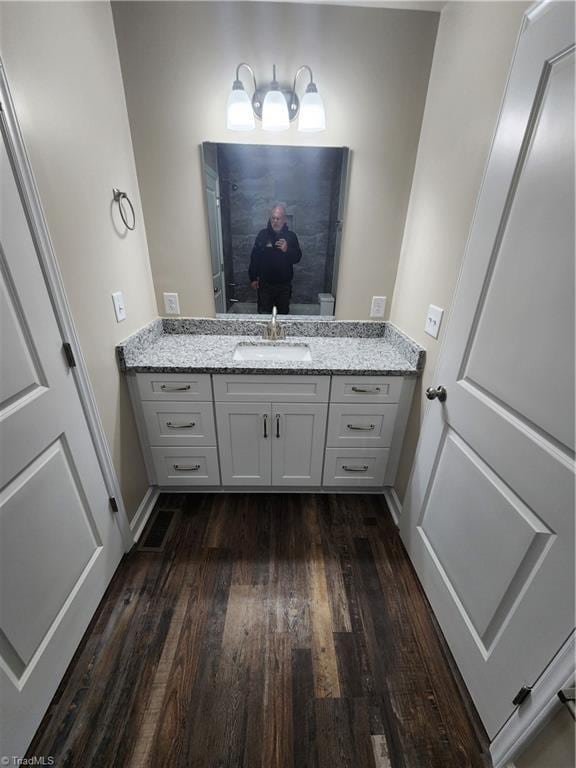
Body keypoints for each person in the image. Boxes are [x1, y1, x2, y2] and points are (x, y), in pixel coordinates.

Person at [248, 204, 302, 314]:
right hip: (265, 285)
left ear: (284, 219)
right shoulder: (262, 234)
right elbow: (255, 257)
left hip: (284, 286)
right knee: (264, 316)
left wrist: (287, 249)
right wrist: (253, 277)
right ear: (270, 218)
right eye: (273, 218)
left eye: (278, 218)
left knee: (282, 317)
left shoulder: (291, 236)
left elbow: (297, 257)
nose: (275, 221)